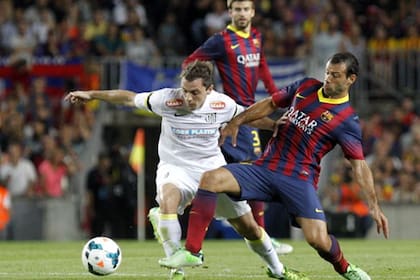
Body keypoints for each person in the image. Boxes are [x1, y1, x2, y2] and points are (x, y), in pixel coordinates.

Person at [65, 61, 304, 280]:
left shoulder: (222, 103)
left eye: (194, 92)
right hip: (176, 168)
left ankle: (278, 270)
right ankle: (177, 272)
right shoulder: (166, 100)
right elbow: (129, 98)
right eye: (185, 90)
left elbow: (246, 117)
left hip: (213, 169)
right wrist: (92, 94)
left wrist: (274, 125)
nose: (187, 97)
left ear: (209, 89)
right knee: (169, 200)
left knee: (250, 228)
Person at [159, 53, 389, 280]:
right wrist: (236, 121)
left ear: (351, 79)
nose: (328, 78)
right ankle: (193, 252)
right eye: (328, 72)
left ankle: (346, 268)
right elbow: (270, 104)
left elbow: (359, 165)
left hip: (299, 179)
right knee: (210, 179)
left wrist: (374, 205)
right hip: (265, 168)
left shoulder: (347, 121)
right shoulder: (307, 86)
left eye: (336, 75)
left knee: (317, 239)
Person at [183, 0, 293, 255]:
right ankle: (259, 234)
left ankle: (241, 223)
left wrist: (277, 97)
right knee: (252, 170)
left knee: (234, 171)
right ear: (230, 12)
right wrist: (206, 92)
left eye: (246, 9)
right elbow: (191, 62)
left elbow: (263, 68)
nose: (242, 14)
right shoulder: (221, 40)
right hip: (234, 112)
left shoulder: (256, 37)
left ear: (252, 12)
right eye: (237, 9)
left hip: (248, 112)